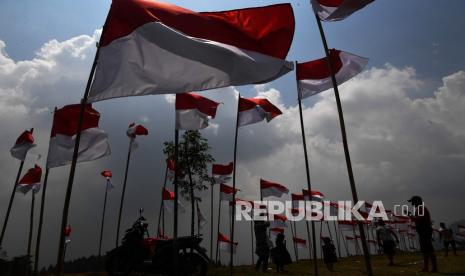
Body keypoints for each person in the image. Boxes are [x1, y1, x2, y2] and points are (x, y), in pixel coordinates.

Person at [408, 196, 437, 272]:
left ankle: (433, 268)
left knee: (428, 250)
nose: (412, 203)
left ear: (416, 201)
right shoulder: (420, 208)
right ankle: (426, 267)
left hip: (425, 231)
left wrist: (410, 216)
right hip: (423, 231)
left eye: (413, 201)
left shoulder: (421, 209)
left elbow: (419, 219)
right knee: (425, 250)